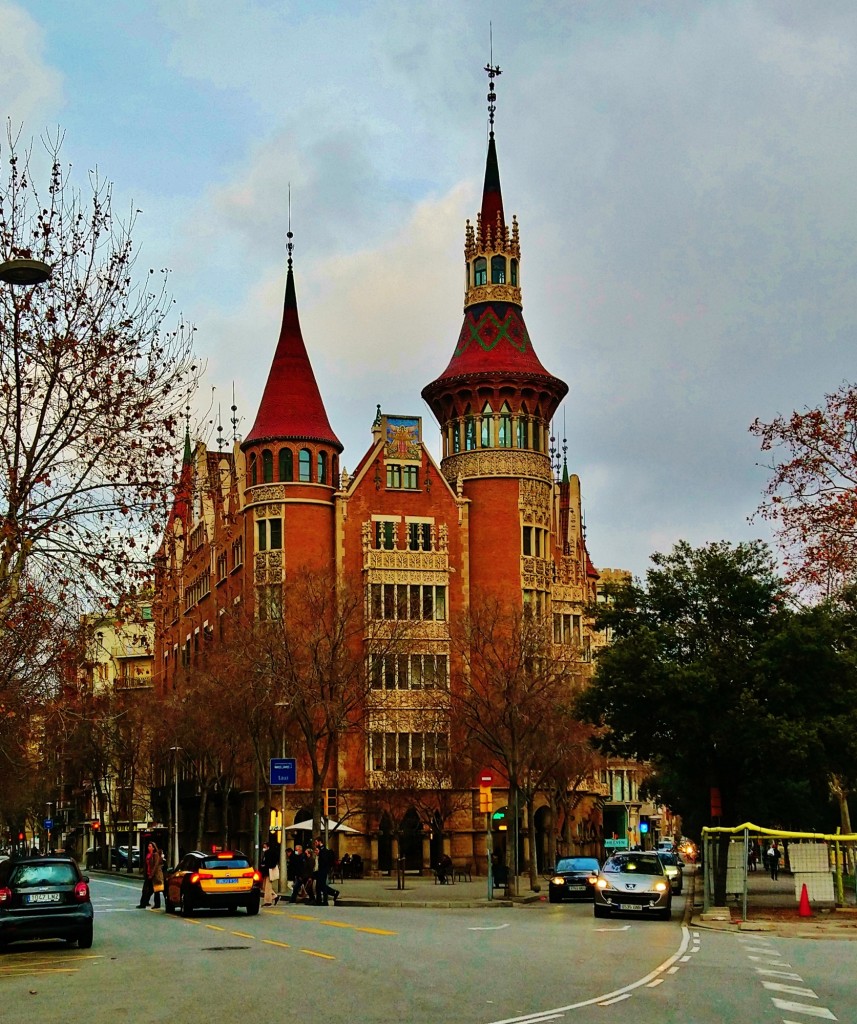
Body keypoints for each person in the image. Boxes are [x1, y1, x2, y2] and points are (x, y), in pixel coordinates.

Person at [314, 837, 340, 905]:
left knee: (322, 886)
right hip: (321, 870)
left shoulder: (323, 850)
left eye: (316, 842)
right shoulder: (321, 850)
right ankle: (319, 900)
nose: (315, 844)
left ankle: (325, 900)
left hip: (323, 870)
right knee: (319, 886)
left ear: (320, 842)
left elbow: (324, 861)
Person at [138, 841, 163, 909]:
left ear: (153, 848)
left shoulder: (155, 855)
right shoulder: (148, 855)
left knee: (156, 890)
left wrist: (151, 874)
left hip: (154, 875)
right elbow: (147, 865)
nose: (148, 847)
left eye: (150, 846)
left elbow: (155, 866)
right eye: (148, 846)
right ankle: (143, 903)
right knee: (145, 890)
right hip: (148, 874)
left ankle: (157, 904)